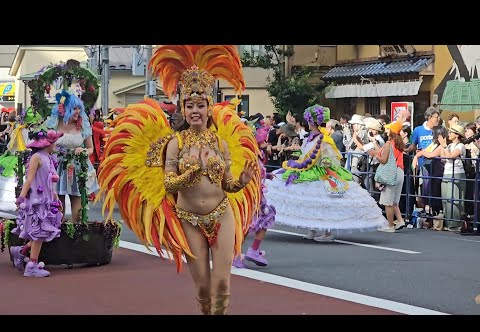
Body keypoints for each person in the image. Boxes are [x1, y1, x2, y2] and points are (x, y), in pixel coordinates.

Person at [96, 45, 261, 315]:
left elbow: (228, 185)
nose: (195, 110)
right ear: (183, 109)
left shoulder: (221, 143)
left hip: (222, 214)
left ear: (209, 108)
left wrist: (242, 180)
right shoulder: (175, 144)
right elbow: (169, 184)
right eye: (189, 105)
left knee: (222, 283)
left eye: (201, 105)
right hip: (189, 219)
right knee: (203, 286)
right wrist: (191, 174)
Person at [265, 105, 387, 242]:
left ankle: (328, 233)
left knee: (326, 202)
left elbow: (330, 158)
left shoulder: (323, 139)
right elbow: (305, 154)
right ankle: (312, 228)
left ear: (313, 122)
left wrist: (323, 163)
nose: (308, 124)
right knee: (311, 202)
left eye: (309, 121)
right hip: (309, 171)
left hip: (321, 172)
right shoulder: (311, 137)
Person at [10, 129, 63, 277]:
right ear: (47, 143)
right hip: (36, 201)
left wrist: (55, 197)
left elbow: (49, 182)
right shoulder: (37, 157)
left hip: (46, 200)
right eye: (54, 142)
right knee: (39, 234)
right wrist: (21, 198)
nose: (56, 145)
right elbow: (30, 179)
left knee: (42, 232)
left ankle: (21, 252)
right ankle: (32, 266)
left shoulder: (48, 158)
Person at [45, 91, 99, 222]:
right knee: (58, 209)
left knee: (78, 213)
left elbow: (91, 148)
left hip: (77, 167)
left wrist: (83, 151)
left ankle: (75, 237)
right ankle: (58, 236)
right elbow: (45, 145)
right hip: (57, 167)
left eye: (79, 108)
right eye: (74, 108)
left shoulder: (83, 124)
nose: (78, 111)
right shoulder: (54, 123)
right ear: (65, 109)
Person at [232, 126, 275, 268]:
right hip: (252, 198)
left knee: (257, 222)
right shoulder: (250, 158)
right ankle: (243, 253)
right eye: (263, 141)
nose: (266, 144)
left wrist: (267, 175)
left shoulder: (256, 156)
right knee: (254, 223)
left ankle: (245, 253)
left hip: (256, 196)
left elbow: (258, 173)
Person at [0, 107, 43, 212]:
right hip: (23, 157)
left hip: (29, 157)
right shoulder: (20, 130)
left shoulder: (19, 129)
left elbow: (11, 147)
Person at [367, 121, 406, 232]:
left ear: (391, 132)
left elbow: (383, 159)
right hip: (400, 172)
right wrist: (375, 145)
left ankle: (390, 226)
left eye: (388, 129)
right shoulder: (399, 144)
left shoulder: (389, 144)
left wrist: (374, 154)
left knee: (388, 202)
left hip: (391, 173)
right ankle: (400, 221)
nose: (386, 131)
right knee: (394, 201)